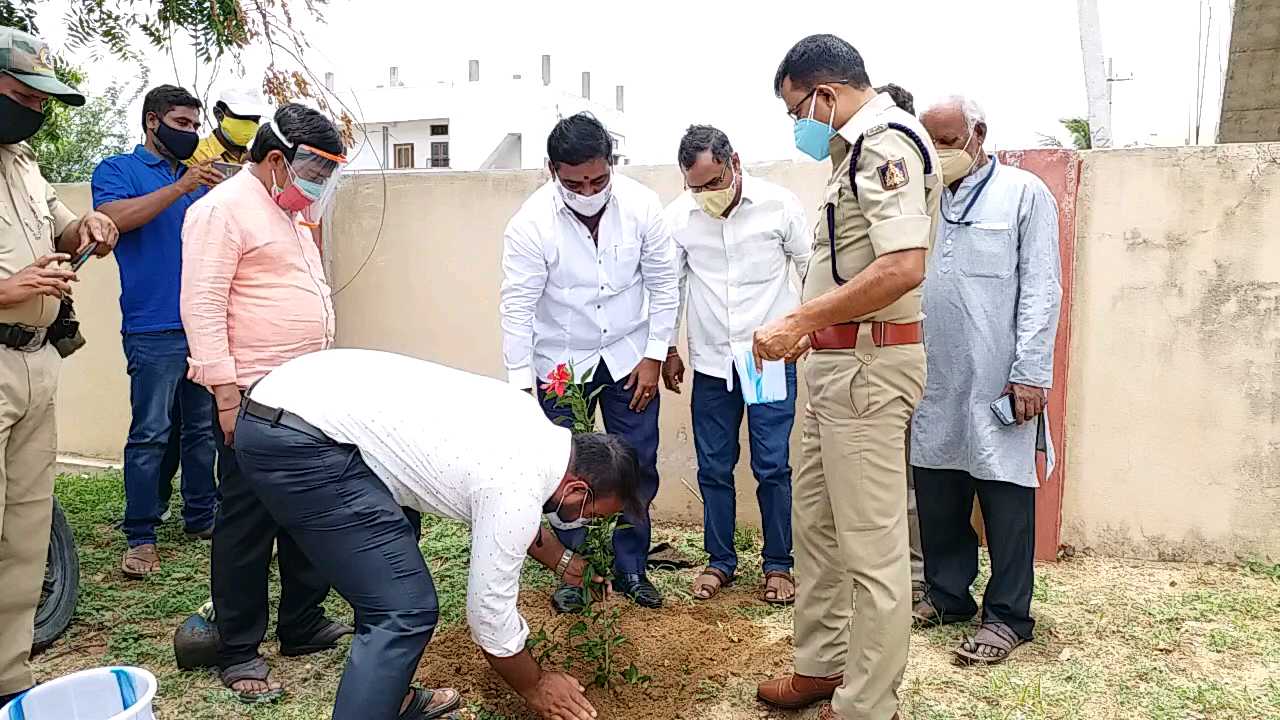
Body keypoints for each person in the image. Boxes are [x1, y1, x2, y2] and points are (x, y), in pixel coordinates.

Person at [236, 347, 646, 720]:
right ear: (577, 487)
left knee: (400, 537)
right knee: (403, 609)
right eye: (590, 513)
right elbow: (489, 616)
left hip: (285, 397)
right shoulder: (514, 486)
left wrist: (564, 562)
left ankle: (387, 696)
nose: (584, 522)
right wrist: (535, 684)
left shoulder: (531, 430)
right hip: (300, 439)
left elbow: (519, 510)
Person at [753, 35, 941, 720]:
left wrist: (801, 320)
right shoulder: (852, 152)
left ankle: (869, 704)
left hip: (868, 367)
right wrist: (816, 331)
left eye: (796, 108)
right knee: (820, 531)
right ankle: (823, 666)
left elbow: (902, 267)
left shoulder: (887, 143)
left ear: (825, 95)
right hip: (837, 365)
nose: (798, 123)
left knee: (871, 549)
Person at [181, 103, 352, 701]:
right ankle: (238, 648)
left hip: (307, 392)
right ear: (277, 159)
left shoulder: (288, 212)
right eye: (314, 169)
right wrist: (227, 398)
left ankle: (302, 623)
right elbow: (202, 308)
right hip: (253, 395)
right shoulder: (221, 211)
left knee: (307, 510)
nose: (319, 183)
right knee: (247, 524)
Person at [500, 112, 678, 613]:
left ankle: (630, 567)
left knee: (637, 464)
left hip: (628, 357)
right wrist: (520, 392)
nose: (588, 189)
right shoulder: (530, 224)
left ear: (611, 164)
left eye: (598, 179)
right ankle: (572, 572)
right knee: (564, 472)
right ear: (551, 169)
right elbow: (516, 307)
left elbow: (665, 285)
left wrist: (653, 354)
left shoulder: (642, 205)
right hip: (560, 362)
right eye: (574, 182)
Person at [910, 96, 1062, 666]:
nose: (941, 154)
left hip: (1001, 380)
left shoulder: (1024, 195)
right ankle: (948, 596)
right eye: (932, 144)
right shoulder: (922, 200)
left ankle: (1008, 616)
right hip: (934, 379)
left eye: (949, 142)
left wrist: (1029, 372)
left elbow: (1043, 288)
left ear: (978, 133)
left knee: (1005, 501)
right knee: (940, 494)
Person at [0, 25, 120, 707]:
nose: (36, 110)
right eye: (23, 95)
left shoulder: (21, 160)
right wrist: (9, 289)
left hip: (34, 363)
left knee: (24, 531)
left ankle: (8, 679)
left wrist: (91, 229)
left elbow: (64, 228)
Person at [661, 125, 809, 605]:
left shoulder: (779, 205)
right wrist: (668, 347)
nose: (704, 195)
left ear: (734, 163)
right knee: (713, 467)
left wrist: (807, 329)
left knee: (772, 466)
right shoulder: (679, 217)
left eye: (712, 182)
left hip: (763, 361)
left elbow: (810, 267)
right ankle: (719, 562)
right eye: (695, 187)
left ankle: (778, 565)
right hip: (710, 365)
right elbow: (671, 289)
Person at [92, 85, 223, 579]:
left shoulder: (201, 181)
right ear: (152, 122)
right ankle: (141, 536)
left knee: (201, 432)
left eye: (195, 125)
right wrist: (180, 187)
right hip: (152, 326)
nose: (191, 133)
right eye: (182, 124)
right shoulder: (118, 170)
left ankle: (201, 517)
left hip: (202, 322)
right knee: (150, 433)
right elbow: (112, 219)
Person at [873, 82, 926, 601]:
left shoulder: (900, 167)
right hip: (877, 352)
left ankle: (920, 578)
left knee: (909, 482)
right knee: (889, 483)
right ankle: (908, 579)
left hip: (900, 353)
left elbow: (903, 269)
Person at [189, 88, 271, 166]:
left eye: (255, 119)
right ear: (219, 114)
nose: (250, 123)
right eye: (242, 117)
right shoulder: (194, 153)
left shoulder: (256, 159)